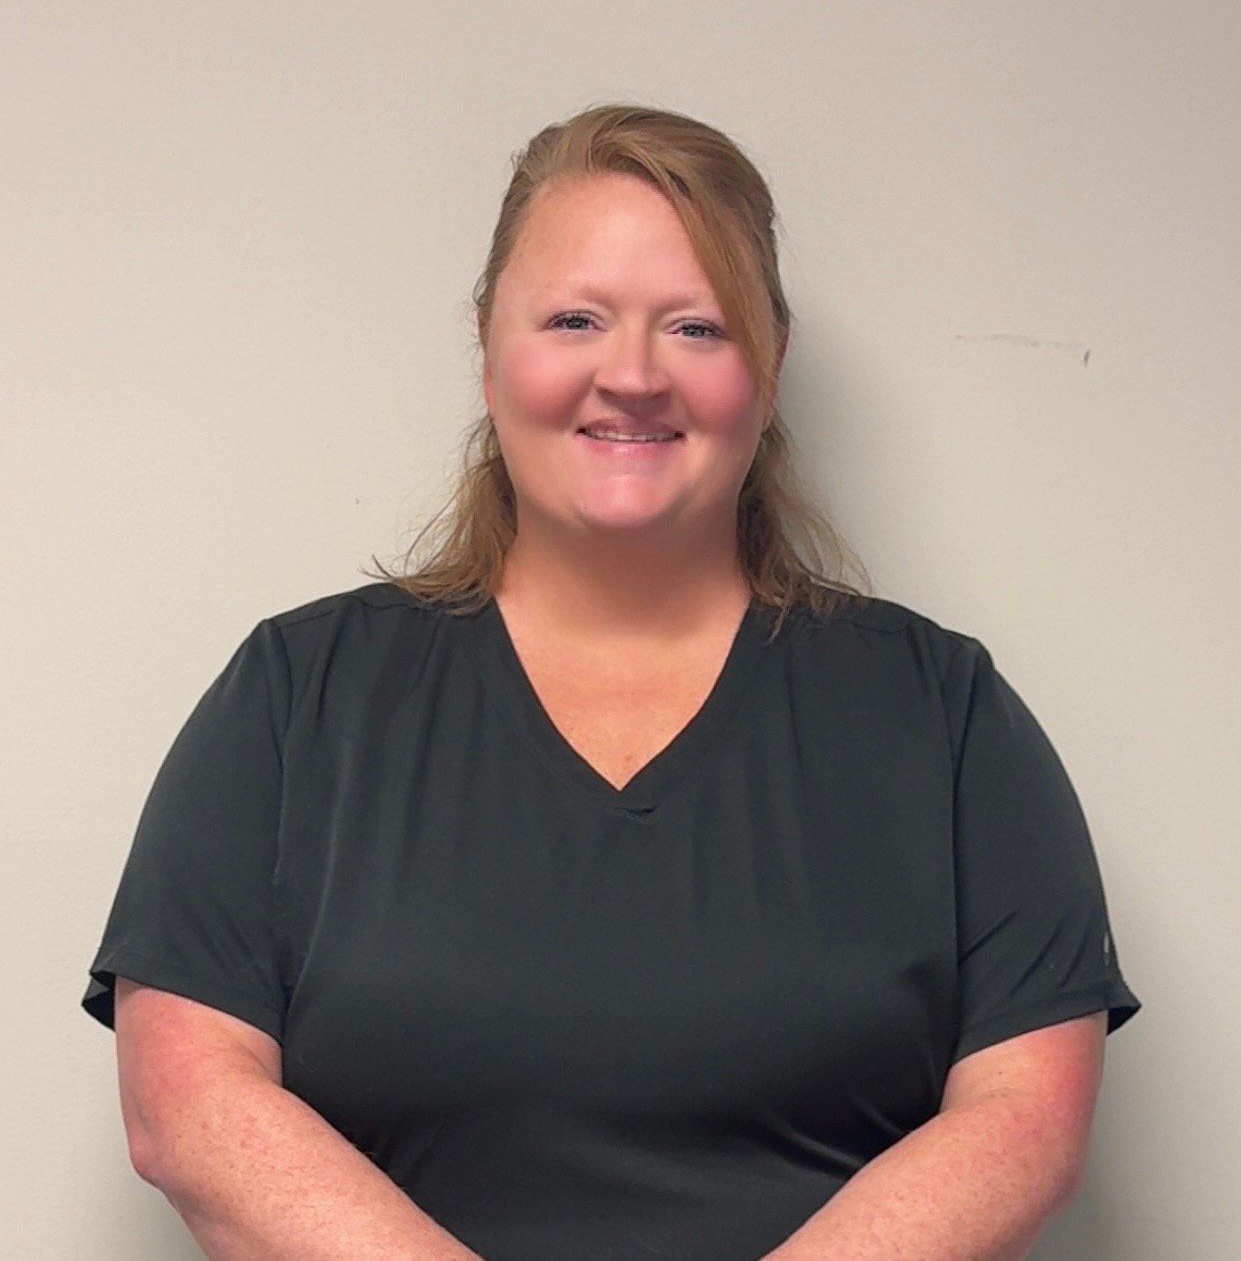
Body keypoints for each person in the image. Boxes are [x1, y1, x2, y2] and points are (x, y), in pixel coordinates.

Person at [81, 102, 1141, 1261]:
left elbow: (1024, 1119)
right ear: (489, 349)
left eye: (695, 327)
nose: (630, 375)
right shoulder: (295, 695)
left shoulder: (945, 715)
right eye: (575, 317)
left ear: (768, 365)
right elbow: (186, 1107)